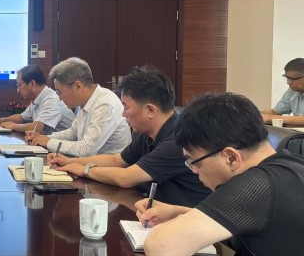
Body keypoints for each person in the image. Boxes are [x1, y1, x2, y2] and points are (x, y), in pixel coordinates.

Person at [136, 92, 304, 256]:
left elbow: (160, 247)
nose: (194, 172)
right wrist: (178, 212)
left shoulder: (255, 185)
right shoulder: (288, 164)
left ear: (231, 158)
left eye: (194, 162)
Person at [48, 66, 210, 207]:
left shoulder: (177, 141)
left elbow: (126, 177)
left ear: (150, 110)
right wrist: (68, 161)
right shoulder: (145, 133)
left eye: (126, 107)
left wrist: (84, 170)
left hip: (187, 220)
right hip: (157, 209)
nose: (123, 114)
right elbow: (116, 160)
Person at [27, 57, 131, 156]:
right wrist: (43, 138)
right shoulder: (84, 101)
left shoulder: (105, 104)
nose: (59, 98)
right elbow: (73, 133)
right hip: (89, 163)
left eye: (59, 92)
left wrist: (49, 142)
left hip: (109, 166)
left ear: (77, 86)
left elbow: (87, 149)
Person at [0, 65, 74, 134]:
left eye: (19, 85)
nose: (18, 90)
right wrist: (1, 120)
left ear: (32, 83)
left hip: (64, 146)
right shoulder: (37, 98)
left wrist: (13, 126)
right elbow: (22, 117)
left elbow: (37, 128)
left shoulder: (51, 99)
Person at [260, 58, 304, 126]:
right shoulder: (292, 91)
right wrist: (252, 114)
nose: (288, 82)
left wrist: (269, 118)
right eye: (287, 78)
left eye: (292, 79)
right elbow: (274, 112)